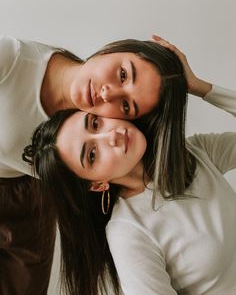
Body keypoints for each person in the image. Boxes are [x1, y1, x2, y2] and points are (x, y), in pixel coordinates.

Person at [23, 42, 236, 295]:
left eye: (95, 123)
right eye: (92, 154)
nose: (110, 137)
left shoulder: (195, 154)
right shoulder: (128, 233)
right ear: (97, 184)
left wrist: (197, 87)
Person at [0, 34, 188, 294]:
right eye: (123, 74)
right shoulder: (11, 59)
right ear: (113, 49)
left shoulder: (101, 141)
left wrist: (198, 87)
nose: (108, 93)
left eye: (125, 105)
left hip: (28, 195)